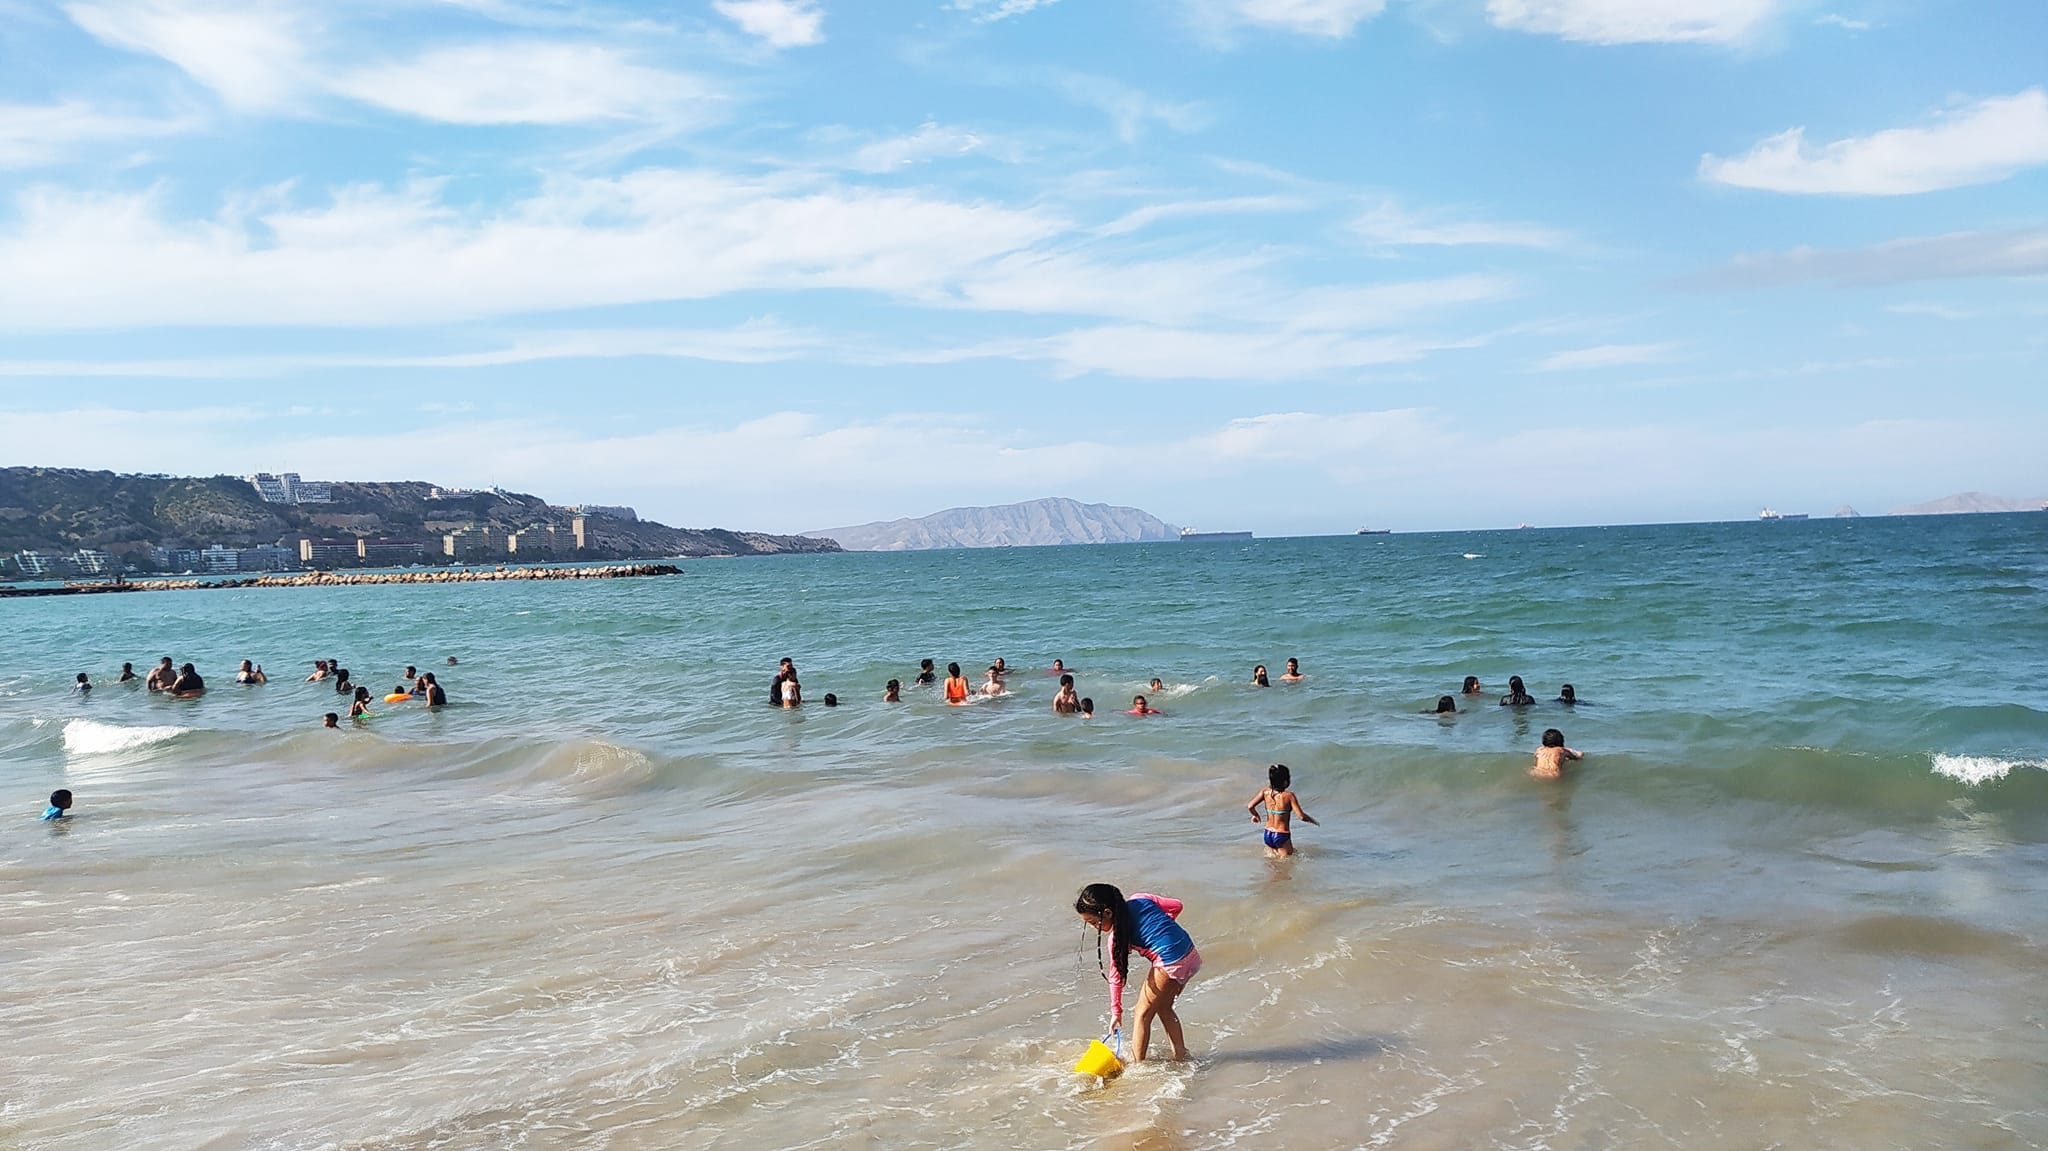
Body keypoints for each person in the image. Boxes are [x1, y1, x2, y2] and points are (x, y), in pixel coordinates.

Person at [1074, 883, 1199, 1063]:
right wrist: (1165, 928)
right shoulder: (1141, 898)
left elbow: (1115, 977)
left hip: (1171, 961)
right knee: (1164, 1008)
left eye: (1093, 922)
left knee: (1142, 1014)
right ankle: (1181, 1055)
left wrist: (1116, 1011)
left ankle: (1137, 1065)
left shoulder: (1116, 939)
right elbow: (1177, 905)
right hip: (1189, 953)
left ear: (1108, 913)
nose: (1094, 928)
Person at [1248, 763, 1320, 858]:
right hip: (1281, 834)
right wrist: (1313, 821)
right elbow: (1301, 816)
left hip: (1268, 833)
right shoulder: (1289, 796)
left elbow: (1250, 806)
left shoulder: (1265, 792)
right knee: (1285, 865)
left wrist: (1256, 815)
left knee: (1272, 863)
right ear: (1285, 782)